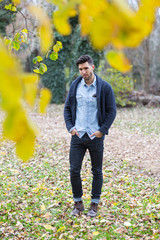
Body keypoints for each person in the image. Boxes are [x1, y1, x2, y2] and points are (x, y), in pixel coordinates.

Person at [64, 55, 116, 217]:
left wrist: (102, 130)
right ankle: (78, 203)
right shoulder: (74, 86)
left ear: (92, 67)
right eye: (80, 69)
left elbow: (111, 111)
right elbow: (67, 109)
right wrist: (70, 128)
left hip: (95, 136)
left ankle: (94, 204)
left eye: (86, 68)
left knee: (97, 171)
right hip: (78, 136)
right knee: (74, 170)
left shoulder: (104, 87)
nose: (83, 72)